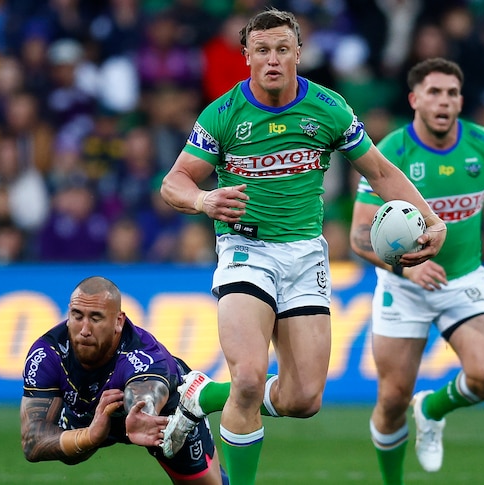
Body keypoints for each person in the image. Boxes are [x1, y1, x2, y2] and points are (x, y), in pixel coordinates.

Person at [159, 9, 447, 484]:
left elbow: (380, 172)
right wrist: (204, 199)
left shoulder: (329, 108)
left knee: (303, 400)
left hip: (305, 255)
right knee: (249, 379)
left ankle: (200, 395)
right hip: (246, 252)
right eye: (262, 50)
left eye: (282, 49)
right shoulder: (224, 113)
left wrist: (433, 219)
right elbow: (174, 182)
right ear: (247, 56)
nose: (273, 59)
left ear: (298, 52)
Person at [349, 57, 484, 483]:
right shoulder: (390, 151)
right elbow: (358, 235)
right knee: (392, 399)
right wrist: (407, 271)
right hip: (404, 285)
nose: (443, 101)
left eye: (451, 93)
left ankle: (433, 409)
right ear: (414, 99)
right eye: (434, 92)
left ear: (461, 100)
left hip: (463, 277)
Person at [19, 276, 228, 484]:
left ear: (118, 321)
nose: (84, 330)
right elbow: (32, 441)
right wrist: (89, 437)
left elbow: (145, 391)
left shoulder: (144, 355)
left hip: (161, 416)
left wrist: (144, 413)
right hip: (90, 414)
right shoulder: (47, 353)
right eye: (77, 316)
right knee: (70, 454)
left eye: (96, 318)